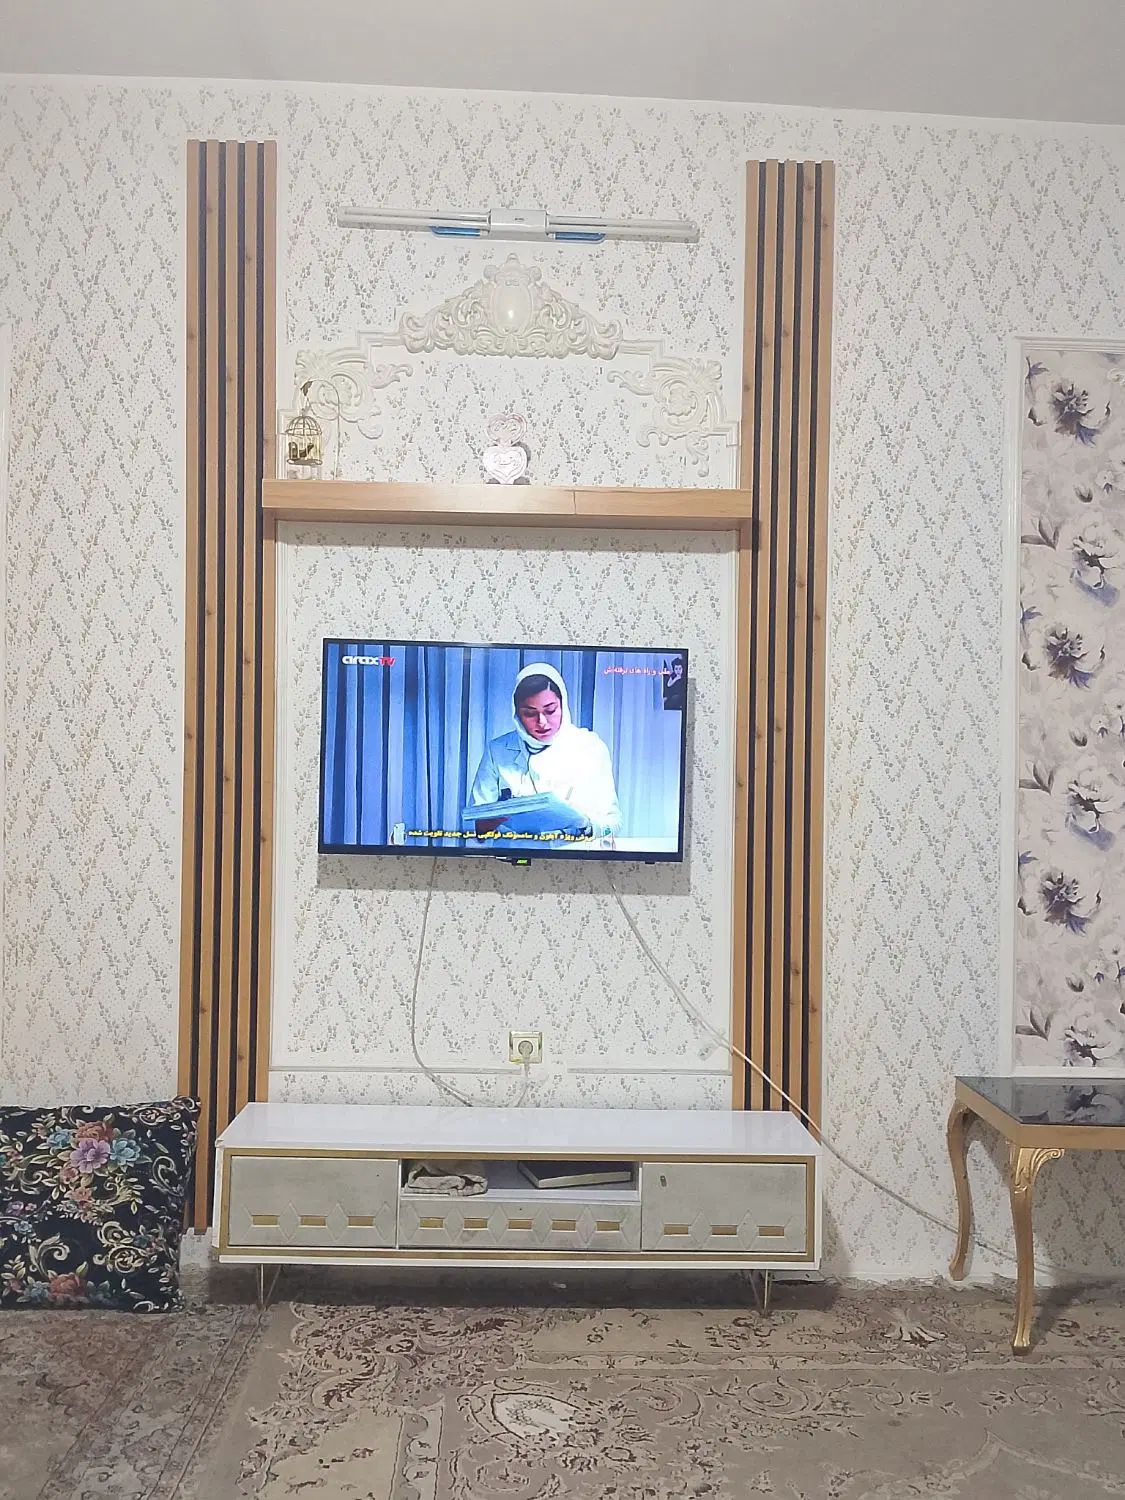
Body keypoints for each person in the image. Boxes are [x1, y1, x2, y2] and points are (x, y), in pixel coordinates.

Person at [469, 662, 622, 839]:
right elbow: (475, 824)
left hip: (573, 853)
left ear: (563, 705)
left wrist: (586, 826)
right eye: (530, 713)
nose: (542, 722)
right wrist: (492, 821)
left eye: (550, 710)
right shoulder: (497, 751)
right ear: (516, 714)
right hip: (514, 852)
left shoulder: (591, 748)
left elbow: (614, 825)